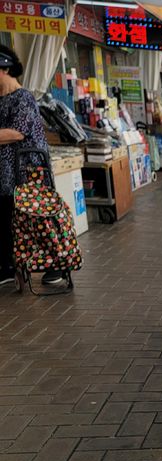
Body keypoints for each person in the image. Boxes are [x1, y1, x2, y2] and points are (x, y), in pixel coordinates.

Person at [0, 45, 60, 286]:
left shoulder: (23, 98)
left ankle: (56, 264)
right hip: (5, 175)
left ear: (4, 69)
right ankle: (7, 267)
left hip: (27, 173)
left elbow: (16, 133)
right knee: (5, 219)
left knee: (36, 219)